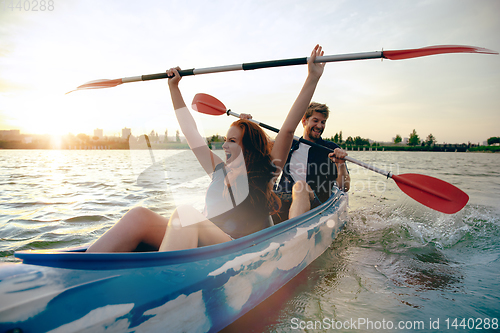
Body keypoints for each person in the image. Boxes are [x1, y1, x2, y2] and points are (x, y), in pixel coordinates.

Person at [86, 44, 326, 253]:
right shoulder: (218, 170)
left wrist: (312, 77)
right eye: (225, 139)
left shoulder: (267, 171)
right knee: (139, 216)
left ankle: (163, 288)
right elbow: (191, 134)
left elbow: (286, 130)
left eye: (233, 140)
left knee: (185, 216)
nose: (224, 144)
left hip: (236, 250)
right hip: (202, 243)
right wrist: (174, 88)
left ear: (249, 147)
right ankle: (76, 272)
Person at [272, 101, 350, 223]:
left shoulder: (331, 149)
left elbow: (344, 187)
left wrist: (340, 165)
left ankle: (294, 232)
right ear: (304, 121)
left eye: (323, 122)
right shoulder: (289, 144)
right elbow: (258, 148)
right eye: (315, 120)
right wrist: (246, 124)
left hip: (316, 205)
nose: (319, 126)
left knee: (300, 186)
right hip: (283, 201)